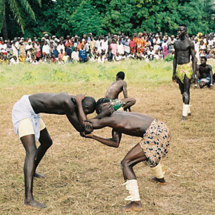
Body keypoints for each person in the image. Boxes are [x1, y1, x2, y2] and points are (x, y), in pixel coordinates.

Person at [79, 99, 170, 212]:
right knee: (147, 152)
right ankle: (160, 178)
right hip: (161, 127)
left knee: (126, 163)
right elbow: (115, 143)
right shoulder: (119, 113)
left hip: (154, 133)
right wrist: (93, 137)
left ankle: (136, 203)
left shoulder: (108, 117)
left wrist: (79, 102)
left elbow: (85, 125)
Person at [12, 93, 96, 209]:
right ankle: (28, 199)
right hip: (24, 110)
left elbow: (83, 124)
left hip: (33, 113)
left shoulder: (74, 103)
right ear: (83, 107)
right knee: (31, 151)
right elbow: (80, 128)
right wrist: (88, 128)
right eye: (86, 112)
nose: (85, 114)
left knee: (47, 141)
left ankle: (32, 170)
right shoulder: (69, 104)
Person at [172, 24, 196, 120]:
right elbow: (175, 58)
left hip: (187, 68)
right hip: (179, 68)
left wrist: (194, 73)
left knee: (186, 91)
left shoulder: (190, 43)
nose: (179, 32)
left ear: (185, 32)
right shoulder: (176, 43)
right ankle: (187, 109)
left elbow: (194, 58)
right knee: (182, 92)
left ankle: (184, 115)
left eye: (181, 30)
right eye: (178, 30)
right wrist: (174, 72)